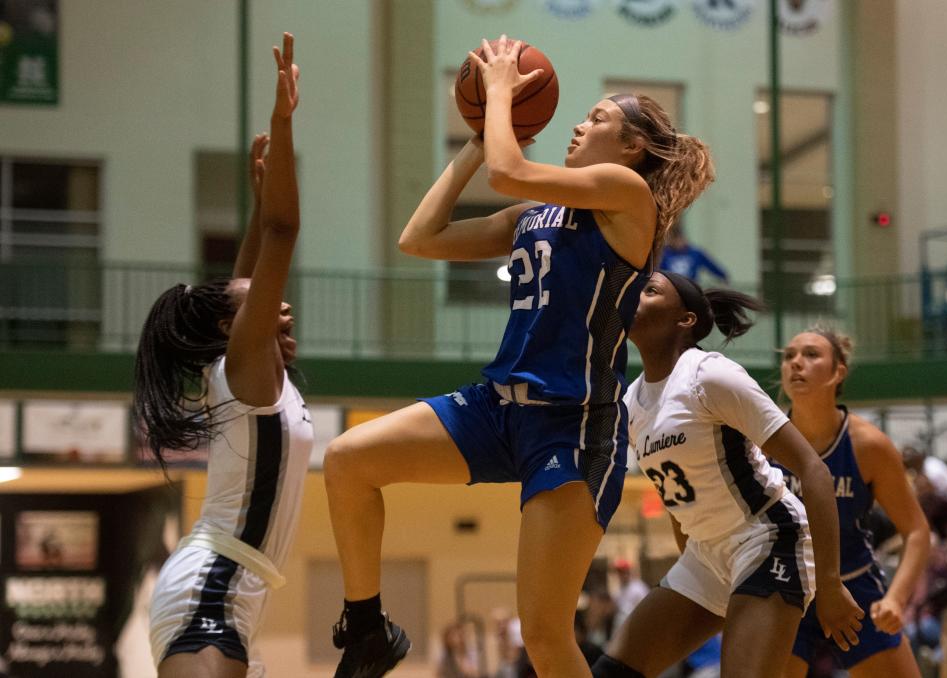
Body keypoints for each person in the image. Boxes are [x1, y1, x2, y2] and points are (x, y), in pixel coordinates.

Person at [322, 35, 715, 678]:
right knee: (347, 461)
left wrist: (500, 92)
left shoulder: (626, 195)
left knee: (544, 635)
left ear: (631, 148)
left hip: (573, 421)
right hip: (497, 407)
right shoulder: (539, 213)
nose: (580, 124)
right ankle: (367, 627)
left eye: (598, 119)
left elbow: (510, 170)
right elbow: (420, 238)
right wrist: (476, 142)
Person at [135, 34, 310, 678]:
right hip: (210, 586)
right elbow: (283, 239)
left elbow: (249, 270)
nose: (281, 307)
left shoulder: (240, 370)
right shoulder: (241, 368)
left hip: (235, 590)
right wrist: (282, 123)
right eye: (266, 304)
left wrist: (260, 204)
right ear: (233, 329)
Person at [591, 271, 863, 678]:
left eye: (650, 290)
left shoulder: (709, 375)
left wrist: (829, 582)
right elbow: (677, 498)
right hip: (706, 553)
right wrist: (689, 568)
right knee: (612, 671)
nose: (635, 296)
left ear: (685, 319)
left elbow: (813, 470)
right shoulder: (631, 402)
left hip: (769, 539)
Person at [777, 327, 931, 677]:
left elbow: (917, 531)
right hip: (784, 586)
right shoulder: (762, 439)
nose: (796, 362)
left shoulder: (869, 445)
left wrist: (896, 598)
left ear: (838, 372)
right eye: (789, 356)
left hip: (855, 585)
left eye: (811, 355)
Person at [658, 227, 728, 284]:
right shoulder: (665, 254)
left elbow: (710, 265)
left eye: (679, 239)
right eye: (674, 240)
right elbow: (659, 270)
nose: (678, 243)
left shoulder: (695, 253)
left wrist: (722, 275)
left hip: (691, 285)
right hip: (672, 285)